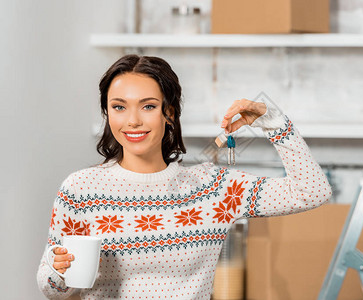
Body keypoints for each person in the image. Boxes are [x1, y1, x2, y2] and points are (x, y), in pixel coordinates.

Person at [36, 54, 332, 299]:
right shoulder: (81, 189)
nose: (133, 120)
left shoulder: (214, 189)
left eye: (148, 106)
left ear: (169, 113)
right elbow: (52, 289)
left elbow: (312, 190)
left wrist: (273, 121)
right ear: (108, 113)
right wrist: (57, 271)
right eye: (119, 107)